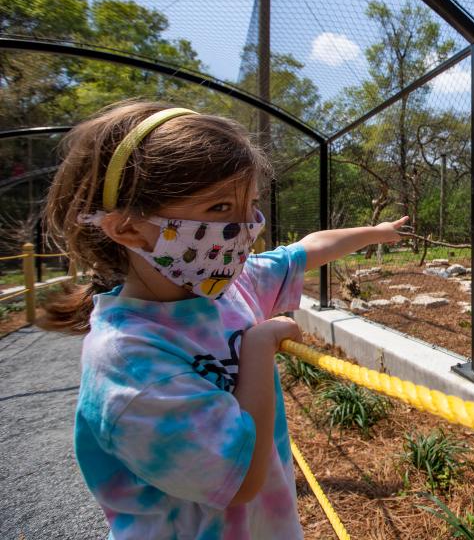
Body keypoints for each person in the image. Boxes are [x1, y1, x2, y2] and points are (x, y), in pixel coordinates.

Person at [39, 100, 406, 539]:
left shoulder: (231, 287)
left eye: (249, 205)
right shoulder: (129, 364)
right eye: (218, 209)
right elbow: (241, 479)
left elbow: (309, 248)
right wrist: (257, 348)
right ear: (129, 229)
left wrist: (379, 232)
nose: (247, 227)